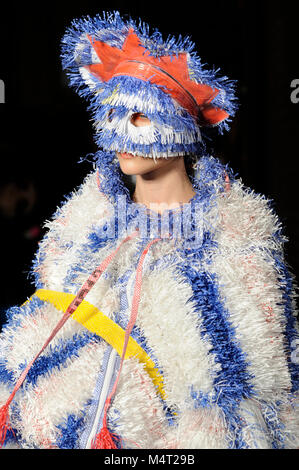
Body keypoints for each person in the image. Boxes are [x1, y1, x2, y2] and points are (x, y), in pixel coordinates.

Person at [0, 11, 298, 449]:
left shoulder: (237, 250)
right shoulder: (79, 229)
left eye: (140, 115)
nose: (121, 129)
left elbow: (257, 402)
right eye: (113, 112)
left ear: (182, 126)